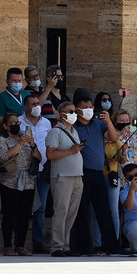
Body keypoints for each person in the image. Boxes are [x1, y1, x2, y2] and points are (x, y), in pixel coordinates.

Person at [70, 89, 125, 256]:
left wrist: (108, 121)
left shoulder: (98, 124)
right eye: (85, 107)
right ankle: (83, 247)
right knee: (82, 211)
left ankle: (112, 247)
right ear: (77, 109)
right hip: (81, 173)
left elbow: (114, 137)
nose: (89, 109)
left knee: (104, 211)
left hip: (98, 173)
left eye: (91, 106)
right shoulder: (73, 126)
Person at [0, 112, 39, 256]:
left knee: (24, 215)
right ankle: (7, 246)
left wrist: (33, 145)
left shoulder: (24, 139)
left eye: (18, 123)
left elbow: (39, 157)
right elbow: (2, 157)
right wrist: (19, 144)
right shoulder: (2, 140)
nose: (16, 125)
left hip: (28, 182)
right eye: (12, 123)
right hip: (10, 181)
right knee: (9, 214)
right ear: (6, 126)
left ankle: (20, 245)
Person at [45, 101, 84, 256]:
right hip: (62, 176)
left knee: (71, 213)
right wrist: (71, 151)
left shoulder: (74, 131)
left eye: (75, 111)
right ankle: (57, 246)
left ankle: (66, 246)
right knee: (61, 212)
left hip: (76, 176)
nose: (75, 114)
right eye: (71, 111)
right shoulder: (56, 131)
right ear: (63, 114)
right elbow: (50, 154)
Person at [19, 94, 52, 253]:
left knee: (41, 207)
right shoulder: (19, 122)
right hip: (25, 171)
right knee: (22, 207)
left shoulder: (46, 123)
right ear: (26, 107)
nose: (37, 106)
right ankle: (19, 242)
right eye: (33, 104)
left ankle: (38, 242)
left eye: (38, 103)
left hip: (43, 170)